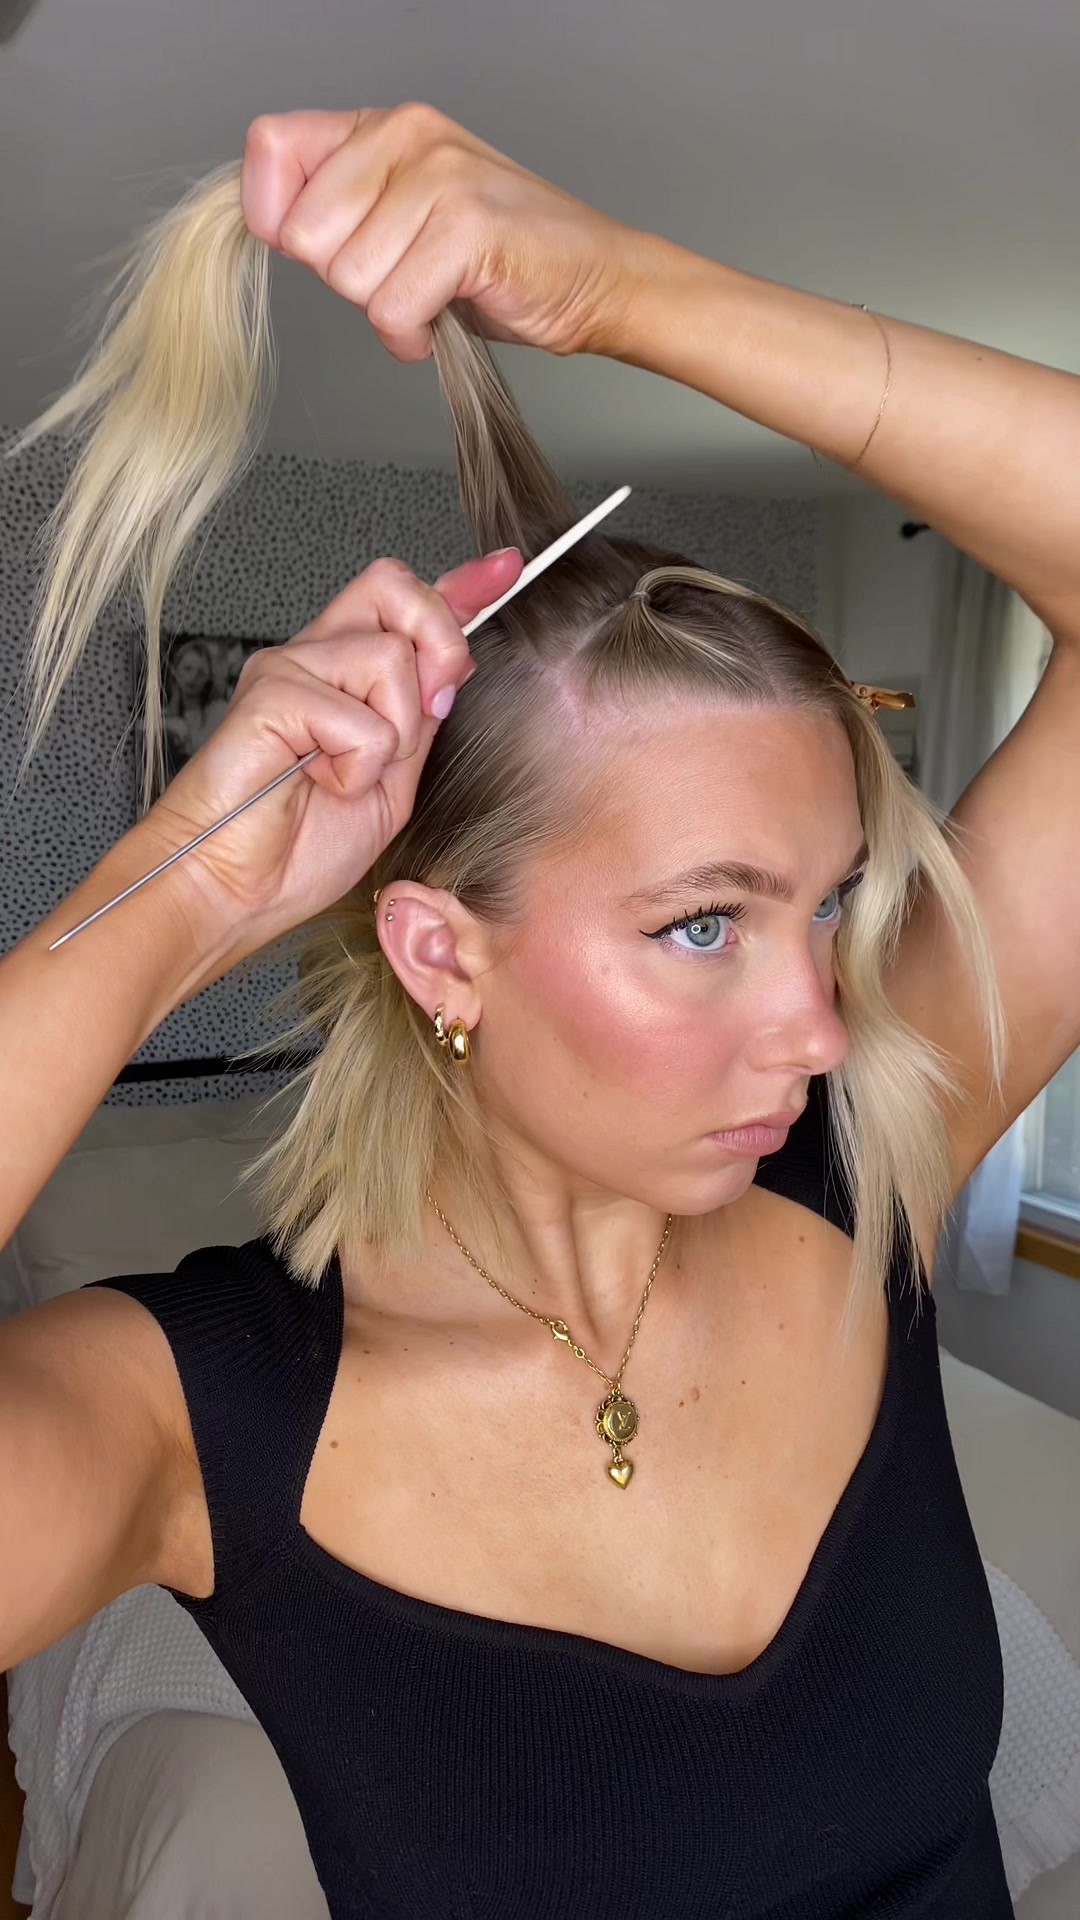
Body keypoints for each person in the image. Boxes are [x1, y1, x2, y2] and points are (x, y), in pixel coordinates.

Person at [2, 104, 1078, 1919]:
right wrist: (182, 892)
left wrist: (626, 293)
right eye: (703, 925)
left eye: (824, 907)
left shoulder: (866, 1186)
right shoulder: (198, 1417)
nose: (824, 1029)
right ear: (442, 956)